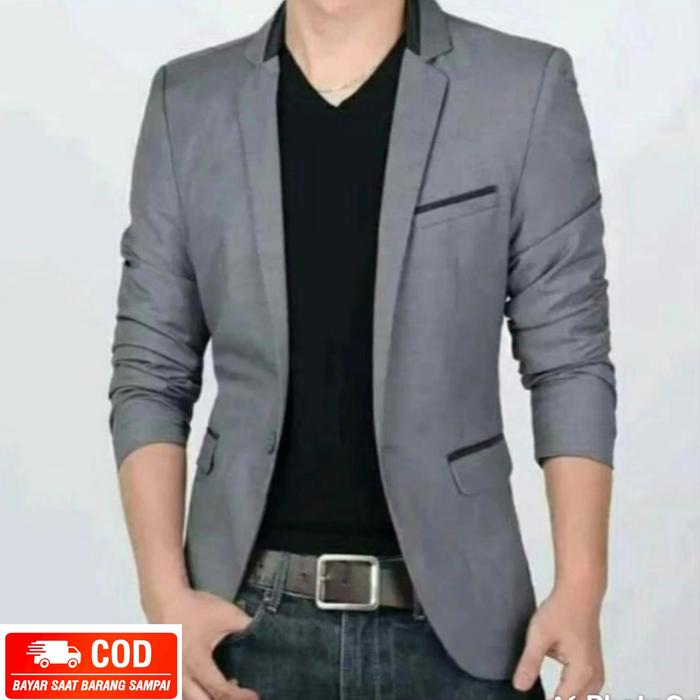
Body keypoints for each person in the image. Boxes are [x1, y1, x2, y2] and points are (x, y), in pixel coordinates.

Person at [108, 0, 616, 698]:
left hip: (462, 634)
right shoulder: (187, 101)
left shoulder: (522, 88)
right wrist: (163, 595)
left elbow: (570, 357)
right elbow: (150, 370)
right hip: (240, 629)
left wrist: (582, 585)